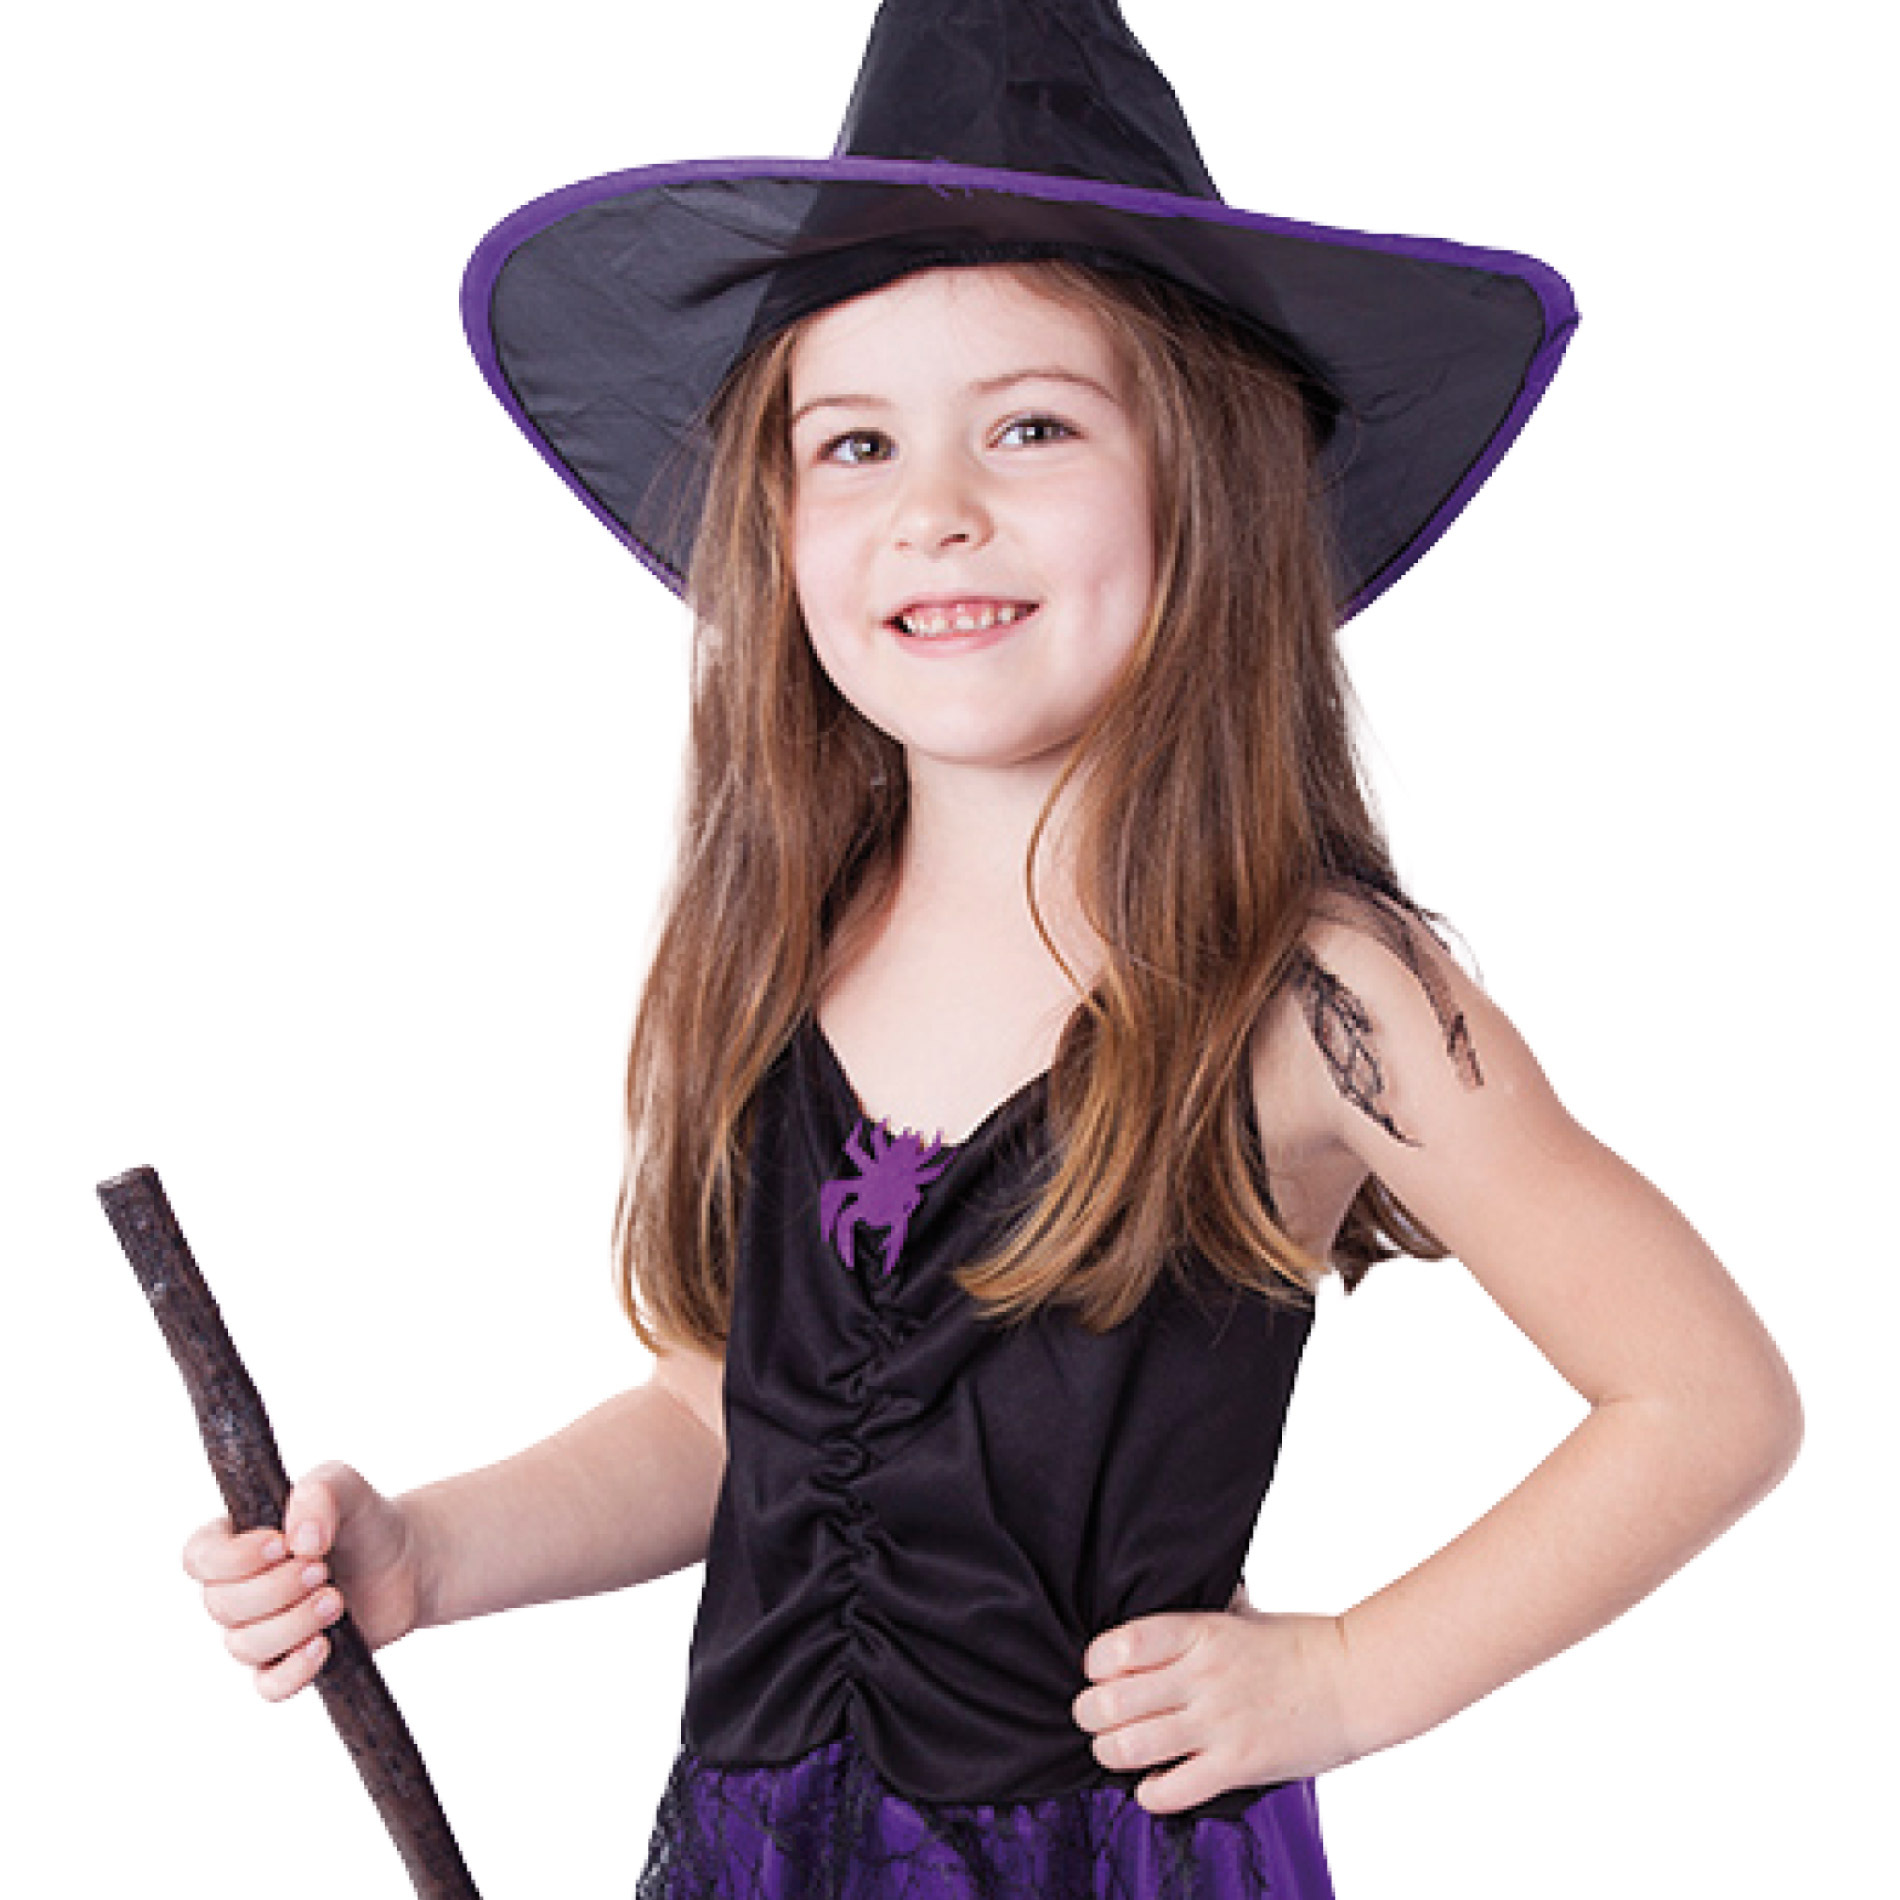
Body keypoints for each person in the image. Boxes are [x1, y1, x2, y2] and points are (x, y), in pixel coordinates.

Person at [182, 3, 1803, 1894]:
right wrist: (430, 1553)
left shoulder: (1311, 993)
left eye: (1031, 427)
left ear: (1204, 476)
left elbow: (1705, 1401)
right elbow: (724, 1418)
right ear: (779, 520)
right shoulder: (784, 945)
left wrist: (1353, 1676)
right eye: (855, 443)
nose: (935, 511)